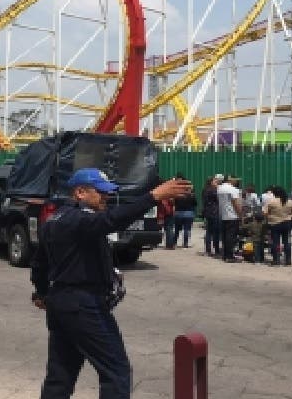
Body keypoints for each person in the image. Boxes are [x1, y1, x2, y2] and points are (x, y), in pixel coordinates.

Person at [30, 168, 192, 399]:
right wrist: (154, 196)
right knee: (115, 370)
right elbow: (113, 220)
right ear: (80, 193)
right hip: (83, 305)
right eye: (101, 192)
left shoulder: (55, 219)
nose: (106, 197)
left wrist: (42, 292)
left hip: (62, 303)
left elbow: (40, 265)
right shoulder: (80, 220)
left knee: (61, 373)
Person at [264, 186, 292, 266]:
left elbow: (265, 213)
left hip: (275, 223)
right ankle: (288, 261)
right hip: (287, 223)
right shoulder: (290, 201)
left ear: (274, 193)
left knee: (275, 243)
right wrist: (289, 218)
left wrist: (269, 218)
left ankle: (276, 260)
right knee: (287, 242)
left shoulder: (271, 201)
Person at [217, 176, 242, 262]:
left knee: (225, 236)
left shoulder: (220, 189)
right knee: (231, 237)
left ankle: (225, 255)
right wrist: (240, 215)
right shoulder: (233, 190)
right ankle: (230, 256)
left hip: (223, 215)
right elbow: (236, 203)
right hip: (232, 216)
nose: (237, 182)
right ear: (231, 180)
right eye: (236, 180)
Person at [172, 173, 197, 248]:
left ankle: (174, 243)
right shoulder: (191, 196)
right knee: (186, 229)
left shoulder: (178, 194)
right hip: (188, 214)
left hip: (178, 213)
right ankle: (185, 243)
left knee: (176, 229)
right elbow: (195, 204)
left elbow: (174, 203)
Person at [202, 176, 222, 256]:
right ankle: (216, 250)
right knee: (216, 232)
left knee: (208, 232)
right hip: (214, 212)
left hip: (207, 212)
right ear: (211, 182)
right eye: (215, 181)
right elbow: (218, 199)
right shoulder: (214, 190)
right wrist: (218, 188)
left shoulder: (205, 190)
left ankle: (208, 250)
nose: (217, 182)